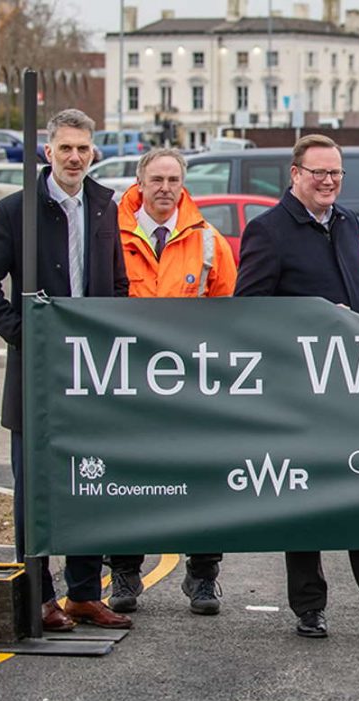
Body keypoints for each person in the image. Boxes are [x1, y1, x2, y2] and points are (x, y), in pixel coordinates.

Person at [234, 133, 359, 638]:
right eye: (318, 172)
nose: (327, 181)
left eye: (335, 173)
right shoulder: (268, 231)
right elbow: (248, 313)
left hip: (352, 385)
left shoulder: (347, 222)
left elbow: (357, 300)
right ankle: (309, 608)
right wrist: (316, 322)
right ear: (295, 174)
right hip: (298, 390)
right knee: (304, 499)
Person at [0, 108, 132, 632]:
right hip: (37, 377)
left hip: (91, 376)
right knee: (35, 489)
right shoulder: (16, 210)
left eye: (83, 148)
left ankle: (85, 594)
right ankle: (40, 596)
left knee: (92, 484)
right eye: (65, 147)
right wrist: (25, 334)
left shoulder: (106, 206)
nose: (75, 157)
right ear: (47, 151)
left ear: (94, 152)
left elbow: (119, 285)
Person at [107, 148, 238, 616]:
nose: (165, 187)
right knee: (127, 478)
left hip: (191, 384)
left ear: (184, 184)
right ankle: (124, 571)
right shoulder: (110, 235)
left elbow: (229, 314)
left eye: (173, 179)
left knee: (202, 479)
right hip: (126, 381)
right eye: (156, 178)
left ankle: (203, 577)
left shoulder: (208, 241)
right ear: (140, 182)